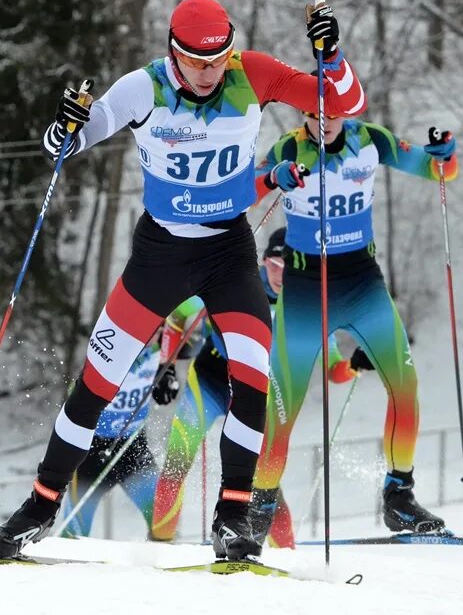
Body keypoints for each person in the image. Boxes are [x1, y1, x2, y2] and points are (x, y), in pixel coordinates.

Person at [0, 0, 366, 561]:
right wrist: (64, 128)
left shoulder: (253, 74)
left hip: (228, 253)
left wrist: (331, 57)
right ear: (174, 53)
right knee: (97, 382)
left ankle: (233, 518)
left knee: (253, 377)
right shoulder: (143, 87)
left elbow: (344, 104)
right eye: (197, 62)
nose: (210, 73)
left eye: (219, 61)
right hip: (160, 254)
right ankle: (39, 506)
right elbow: (64, 146)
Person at [248, 109, 459, 543]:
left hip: (363, 285)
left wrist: (445, 155)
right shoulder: (289, 147)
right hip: (305, 291)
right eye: (313, 112)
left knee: (405, 387)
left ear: (348, 111)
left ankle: (400, 498)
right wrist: (273, 179)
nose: (323, 120)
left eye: (333, 112)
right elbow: (245, 193)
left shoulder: (371, 139)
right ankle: (257, 510)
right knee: (281, 411)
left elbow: (439, 170)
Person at [149, 228, 368, 543]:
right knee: (176, 461)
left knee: (264, 482)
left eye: (287, 267)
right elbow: (177, 315)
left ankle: (283, 555)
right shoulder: (233, 281)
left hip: (256, 395)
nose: (279, 274)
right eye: (273, 265)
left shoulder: (308, 306)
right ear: (263, 262)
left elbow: (334, 370)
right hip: (211, 379)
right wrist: (166, 367)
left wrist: (354, 366)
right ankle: (158, 546)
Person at [59, 325, 182, 538]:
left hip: (132, 448)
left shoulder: (160, 350)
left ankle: (159, 558)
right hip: (92, 451)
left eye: (158, 330)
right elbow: (77, 394)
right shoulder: (115, 347)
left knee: (164, 517)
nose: (152, 337)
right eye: (149, 329)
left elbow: (165, 391)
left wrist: (167, 381)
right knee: (74, 530)